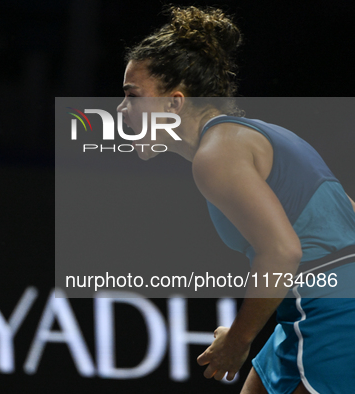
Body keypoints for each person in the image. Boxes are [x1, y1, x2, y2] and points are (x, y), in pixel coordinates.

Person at [116, 6, 355, 394]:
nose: (122, 108)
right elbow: (346, 217)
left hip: (333, 317)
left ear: (175, 103)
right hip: (308, 312)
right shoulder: (258, 134)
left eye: (132, 96)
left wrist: (239, 340)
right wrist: (248, 327)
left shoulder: (216, 154)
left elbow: (281, 252)